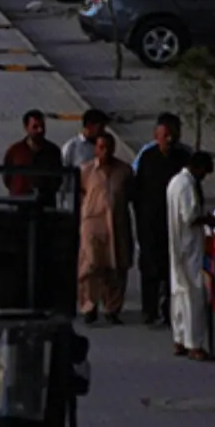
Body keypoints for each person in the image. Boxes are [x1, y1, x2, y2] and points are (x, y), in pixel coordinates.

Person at [131, 113, 192, 326]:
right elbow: (136, 189)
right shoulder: (146, 157)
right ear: (156, 136)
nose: (168, 140)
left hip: (174, 223)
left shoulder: (184, 157)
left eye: (172, 135)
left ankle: (170, 311)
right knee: (149, 267)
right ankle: (149, 310)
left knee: (172, 268)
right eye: (164, 135)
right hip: (149, 222)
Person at [78, 131, 135, 324]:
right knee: (90, 265)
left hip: (117, 223)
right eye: (101, 147)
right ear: (96, 149)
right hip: (93, 223)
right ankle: (89, 306)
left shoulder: (124, 171)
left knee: (117, 265)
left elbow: (131, 195)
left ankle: (112, 308)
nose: (106, 152)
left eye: (109, 147)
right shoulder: (86, 171)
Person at [167, 151, 215, 360]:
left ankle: (179, 338)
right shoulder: (187, 186)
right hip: (189, 247)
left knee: (178, 293)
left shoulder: (175, 182)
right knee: (193, 295)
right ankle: (194, 344)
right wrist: (208, 221)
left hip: (177, 245)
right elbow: (190, 216)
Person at [3, 109, 65, 203]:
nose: (40, 130)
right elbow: (7, 177)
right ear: (26, 128)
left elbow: (58, 178)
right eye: (35, 127)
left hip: (45, 204)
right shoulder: (15, 151)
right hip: (20, 204)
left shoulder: (53, 151)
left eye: (42, 126)